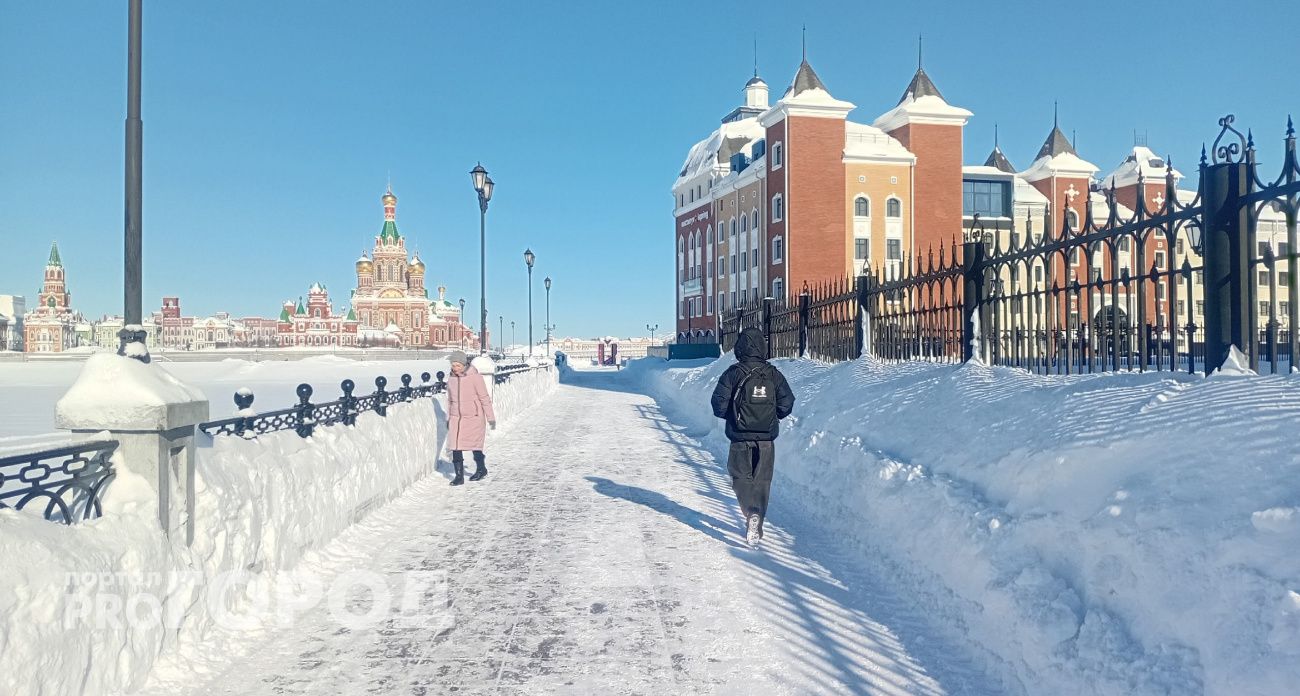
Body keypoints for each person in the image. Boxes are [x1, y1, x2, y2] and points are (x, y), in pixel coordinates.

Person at [710, 327, 795, 546]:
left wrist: (734, 415)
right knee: (762, 480)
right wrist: (770, 415)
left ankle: (750, 513)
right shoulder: (773, 374)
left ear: (739, 347)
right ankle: (757, 518)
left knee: (740, 478)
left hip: (739, 437)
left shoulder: (733, 373)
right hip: (766, 439)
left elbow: (718, 405)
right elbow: (787, 404)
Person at [445, 350, 496, 486]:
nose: (455, 368)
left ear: (464, 364)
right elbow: (449, 400)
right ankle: (459, 476)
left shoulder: (475, 377)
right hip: (457, 417)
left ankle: (481, 469)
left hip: (474, 417)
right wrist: (448, 418)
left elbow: (484, 398)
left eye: (458, 366)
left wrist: (491, 418)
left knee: (475, 445)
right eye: (453, 365)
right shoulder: (451, 379)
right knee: (455, 446)